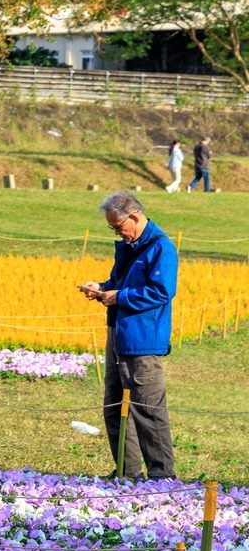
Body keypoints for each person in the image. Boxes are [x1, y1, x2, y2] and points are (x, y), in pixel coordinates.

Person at [83, 192, 177, 480]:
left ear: (134, 216)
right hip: (118, 335)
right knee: (114, 407)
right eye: (112, 227)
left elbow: (162, 291)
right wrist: (101, 287)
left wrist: (120, 297)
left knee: (147, 411)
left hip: (143, 340)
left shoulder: (160, 247)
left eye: (117, 226)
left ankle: (162, 476)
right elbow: (119, 283)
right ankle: (127, 471)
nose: (116, 231)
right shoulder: (129, 246)